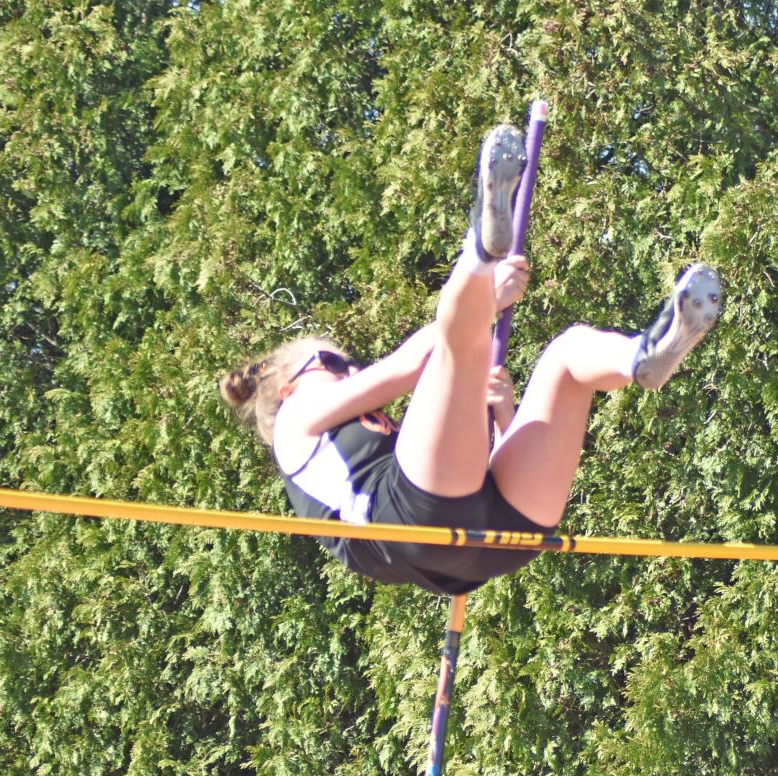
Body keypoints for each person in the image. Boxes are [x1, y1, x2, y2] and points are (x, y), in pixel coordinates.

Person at [220, 124, 722, 596]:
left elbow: (481, 475)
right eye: (330, 362)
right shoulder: (293, 423)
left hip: (496, 541)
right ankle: (479, 250)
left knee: (568, 355)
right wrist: (491, 301)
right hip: (402, 521)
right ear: (288, 388)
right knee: (458, 348)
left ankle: (643, 355)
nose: (349, 369)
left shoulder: (376, 439)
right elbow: (408, 365)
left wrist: (506, 414)